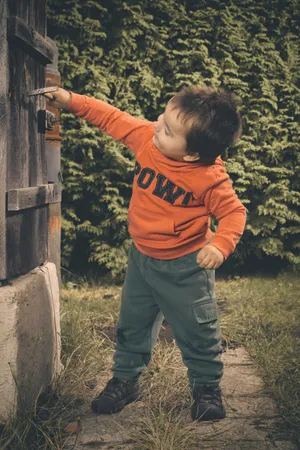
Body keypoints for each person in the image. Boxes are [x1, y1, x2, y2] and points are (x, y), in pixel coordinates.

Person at [45, 85, 246, 421]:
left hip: (186, 268)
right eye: (160, 119)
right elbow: (111, 117)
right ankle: (125, 381)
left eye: (167, 130)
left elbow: (234, 213)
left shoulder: (209, 178)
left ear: (192, 154)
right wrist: (71, 101)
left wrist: (219, 244)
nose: (155, 126)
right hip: (142, 260)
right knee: (132, 325)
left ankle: (206, 387)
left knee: (198, 330)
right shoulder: (146, 139)